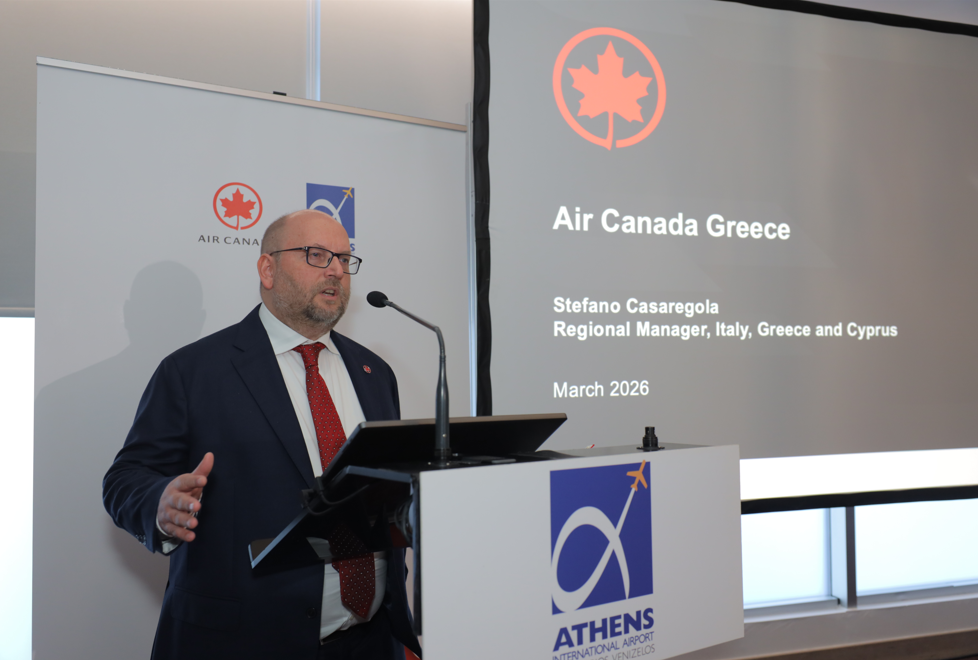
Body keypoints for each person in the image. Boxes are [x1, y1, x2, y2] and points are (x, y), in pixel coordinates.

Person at [103, 210, 420, 660]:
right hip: (243, 641)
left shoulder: (374, 372)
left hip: (370, 642)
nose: (335, 270)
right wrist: (160, 503)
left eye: (344, 259)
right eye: (317, 255)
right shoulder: (194, 371)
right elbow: (126, 478)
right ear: (267, 269)